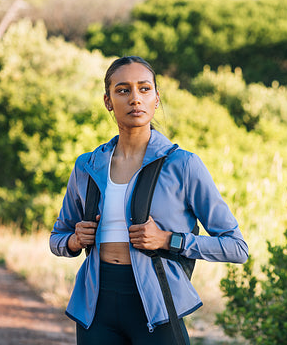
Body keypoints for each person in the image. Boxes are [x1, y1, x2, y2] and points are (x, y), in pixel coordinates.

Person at [49, 55, 248, 345]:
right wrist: (74, 241)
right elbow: (57, 237)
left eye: (144, 89)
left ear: (156, 99)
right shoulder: (87, 166)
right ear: (108, 101)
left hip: (157, 308)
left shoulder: (183, 165)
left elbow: (236, 247)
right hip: (97, 308)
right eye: (123, 90)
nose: (135, 99)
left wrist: (170, 240)